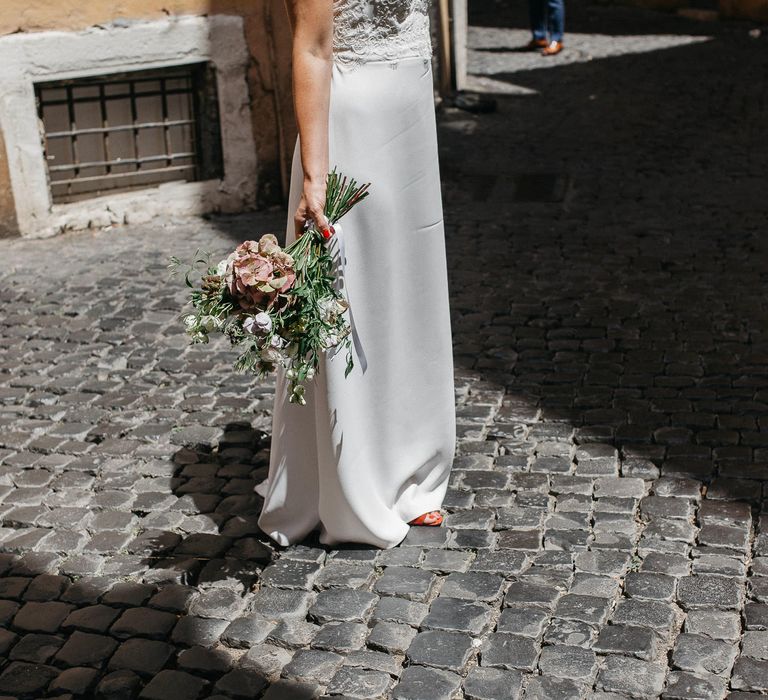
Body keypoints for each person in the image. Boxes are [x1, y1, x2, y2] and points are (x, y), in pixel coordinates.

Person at [256, 0, 456, 549]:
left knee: (407, 296)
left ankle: (407, 467)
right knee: (353, 298)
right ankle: (351, 484)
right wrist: (316, 176)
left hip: (409, 123)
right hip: (355, 131)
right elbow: (313, 47)